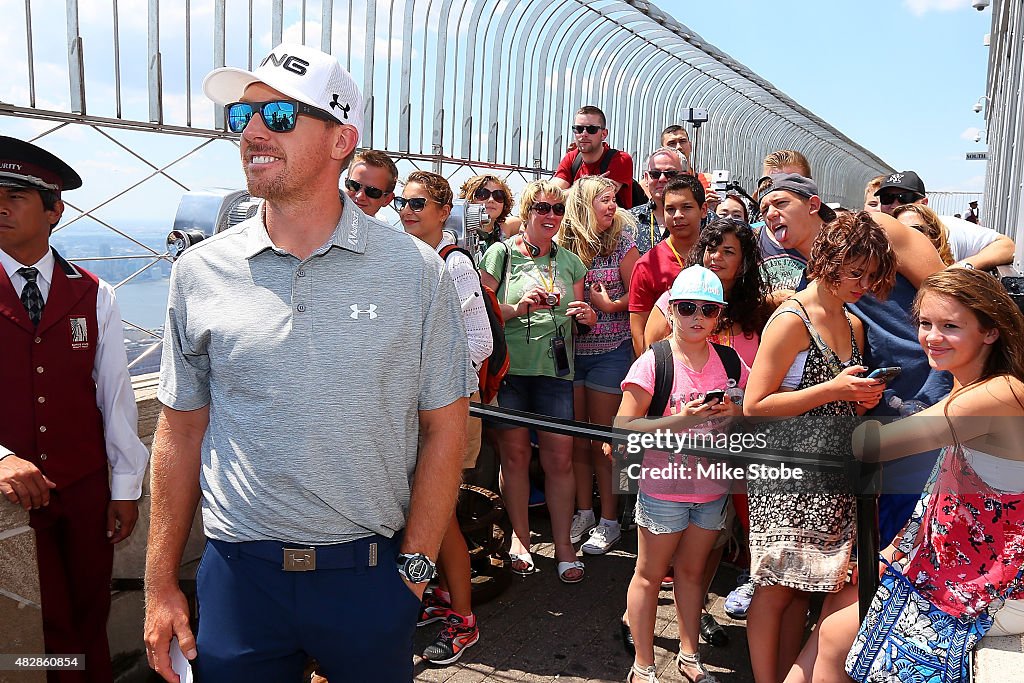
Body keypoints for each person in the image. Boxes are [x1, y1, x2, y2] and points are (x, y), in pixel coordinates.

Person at [143, 43, 473, 683]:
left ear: (342, 139)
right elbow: (179, 430)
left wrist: (412, 571)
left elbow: (444, 427)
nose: (254, 134)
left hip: (369, 579)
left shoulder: (415, 272)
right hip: (241, 580)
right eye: (244, 118)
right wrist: (160, 586)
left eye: (282, 117)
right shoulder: (199, 272)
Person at [794, 268, 1024, 683]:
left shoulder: (998, 393)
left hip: (993, 584)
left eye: (950, 326)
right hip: (952, 560)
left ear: (990, 331)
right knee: (831, 622)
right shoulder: (970, 385)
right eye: (925, 323)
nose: (931, 337)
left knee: (837, 636)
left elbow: (874, 445)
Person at [0, 136, 149, 683]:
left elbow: (115, 396)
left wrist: (124, 489)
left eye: (16, 194)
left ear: (54, 208)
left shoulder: (92, 293)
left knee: (89, 614)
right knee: (38, 628)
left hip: (84, 492)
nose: (0, 206)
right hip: (14, 494)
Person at [743, 212, 898, 683]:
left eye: (870, 276)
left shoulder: (855, 326)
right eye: (855, 271)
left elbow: (842, 405)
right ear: (828, 258)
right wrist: (834, 391)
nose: (862, 284)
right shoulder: (791, 320)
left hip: (831, 475)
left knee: (804, 589)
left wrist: (860, 398)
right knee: (774, 589)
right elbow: (755, 405)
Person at [619, 266, 749, 683]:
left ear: (719, 317)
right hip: (662, 489)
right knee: (650, 575)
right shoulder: (654, 361)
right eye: (688, 307)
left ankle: (689, 655)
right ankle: (642, 664)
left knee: (693, 576)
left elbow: (751, 410)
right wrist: (679, 420)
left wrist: (737, 411)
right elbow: (622, 427)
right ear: (671, 310)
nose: (697, 317)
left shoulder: (729, 360)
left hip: (711, 490)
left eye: (708, 310)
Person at [478, 180, 598, 584]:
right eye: (542, 208)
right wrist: (518, 307)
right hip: (511, 368)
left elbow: (582, 316)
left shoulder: (571, 262)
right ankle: (521, 540)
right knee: (514, 458)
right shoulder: (500, 253)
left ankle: (564, 546)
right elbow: (483, 312)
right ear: (527, 211)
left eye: (558, 209)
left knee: (560, 460)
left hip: (554, 371)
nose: (551, 216)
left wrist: (588, 318)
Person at [396, 170, 492, 665]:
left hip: (448, 413)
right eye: (401, 203)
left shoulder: (454, 268)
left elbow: (480, 343)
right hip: (411, 414)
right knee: (418, 512)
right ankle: (438, 596)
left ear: (441, 210)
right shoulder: (403, 261)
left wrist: (417, 374)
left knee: (442, 517)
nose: (405, 211)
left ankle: (464, 620)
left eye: (416, 204)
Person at [557, 176, 639, 554]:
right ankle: (584, 512)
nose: (612, 206)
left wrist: (608, 307)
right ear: (583, 205)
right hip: (572, 355)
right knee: (578, 439)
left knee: (605, 441)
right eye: (603, 200)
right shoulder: (562, 246)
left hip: (611, 351)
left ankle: (610, 520)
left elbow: (638, 297)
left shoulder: (622, 243)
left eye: (614, 199)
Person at [629, 175, 708, 358]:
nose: (678, 215)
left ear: (703, 210)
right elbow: (638, 330)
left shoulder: (718, 257)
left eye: (686, 207)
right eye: (670, 209)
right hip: (668, 363)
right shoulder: (647, 265)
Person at [873, 170, 1014, 270]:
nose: (895, 205)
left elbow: (1006, 246)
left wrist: (963, 267)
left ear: (924, 203)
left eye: (905, 198)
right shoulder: (872, 236)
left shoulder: (949, 227)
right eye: (887, 198)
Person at [552, 105, 636, 209]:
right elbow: (551, 194)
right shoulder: (572, 158)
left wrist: (571, 192)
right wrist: (587, 187)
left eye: (591, 129)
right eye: (579, 129)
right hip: (578, 223)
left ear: (604, 134)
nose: (584, 134)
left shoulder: (620, 159)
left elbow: (601, 197)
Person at [630, 147, 689, 256]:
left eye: (670, 173)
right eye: (655, 174)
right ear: (647, 178)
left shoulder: (705, 220)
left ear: (684, 177)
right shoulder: (628, 221)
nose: (662, 179)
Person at [459, 173, 520, 249]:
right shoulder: (458, 232)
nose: (491, 200)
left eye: (498, 196)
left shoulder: (503, 230)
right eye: (482, 194)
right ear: (469, 200)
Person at [344, 149, 397, 217]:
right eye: (353, 186)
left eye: (372, 191)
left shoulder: (383, 226)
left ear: (387, 200)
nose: (360, 196)